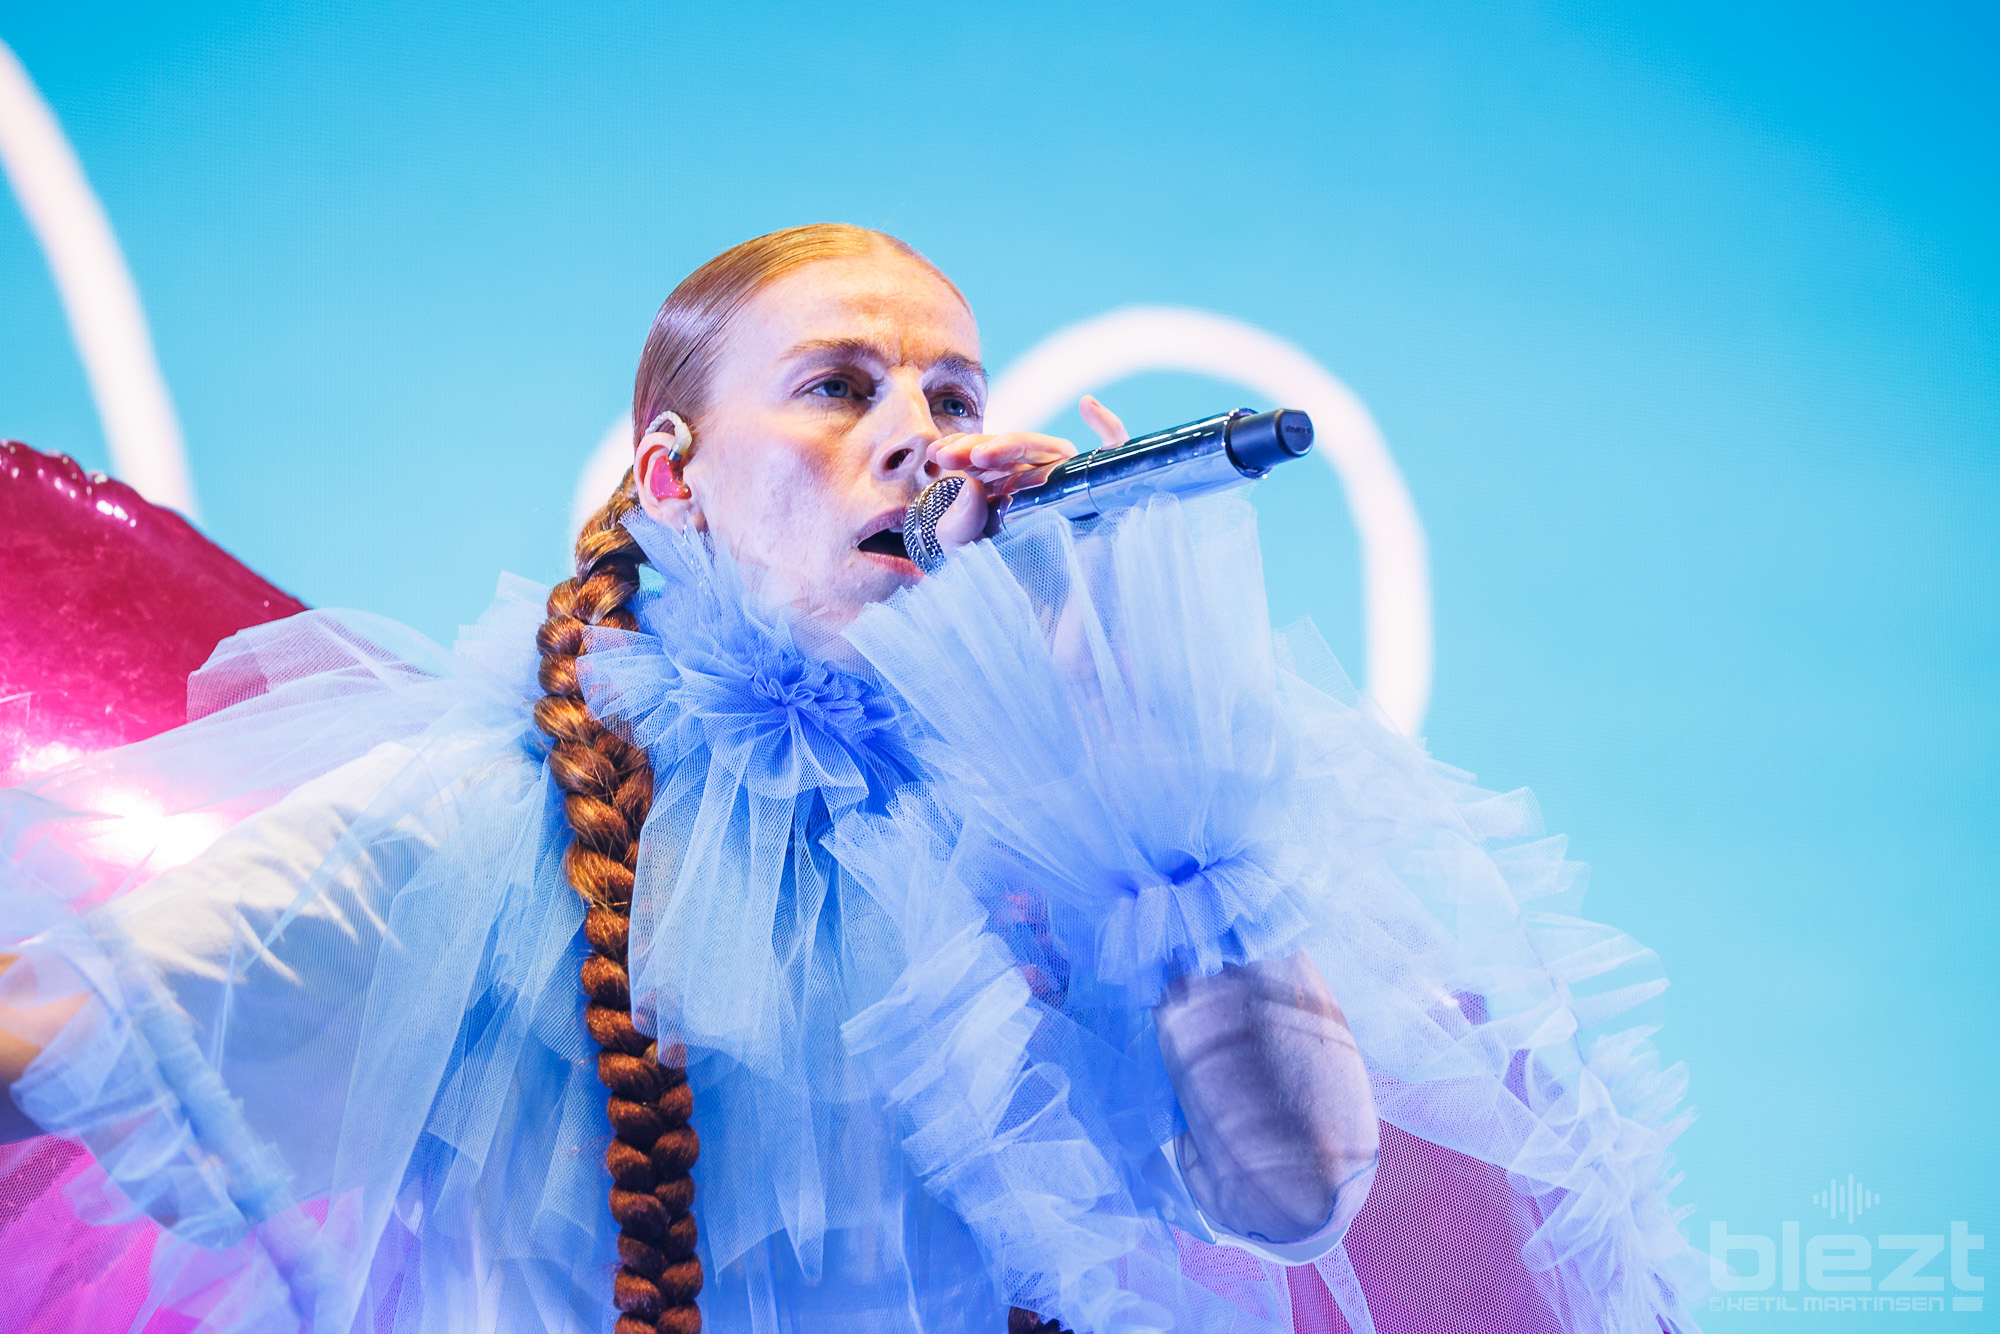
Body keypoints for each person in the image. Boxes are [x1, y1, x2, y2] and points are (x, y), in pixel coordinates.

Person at [0, 224, 1702, 1334]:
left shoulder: (1065, 828)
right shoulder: (489, 809)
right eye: (836, 386)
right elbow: (62, 1039)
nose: (921, 429)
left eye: (952, 391)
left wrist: (1119, 719)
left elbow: (1295, 1188)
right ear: (671, 477)